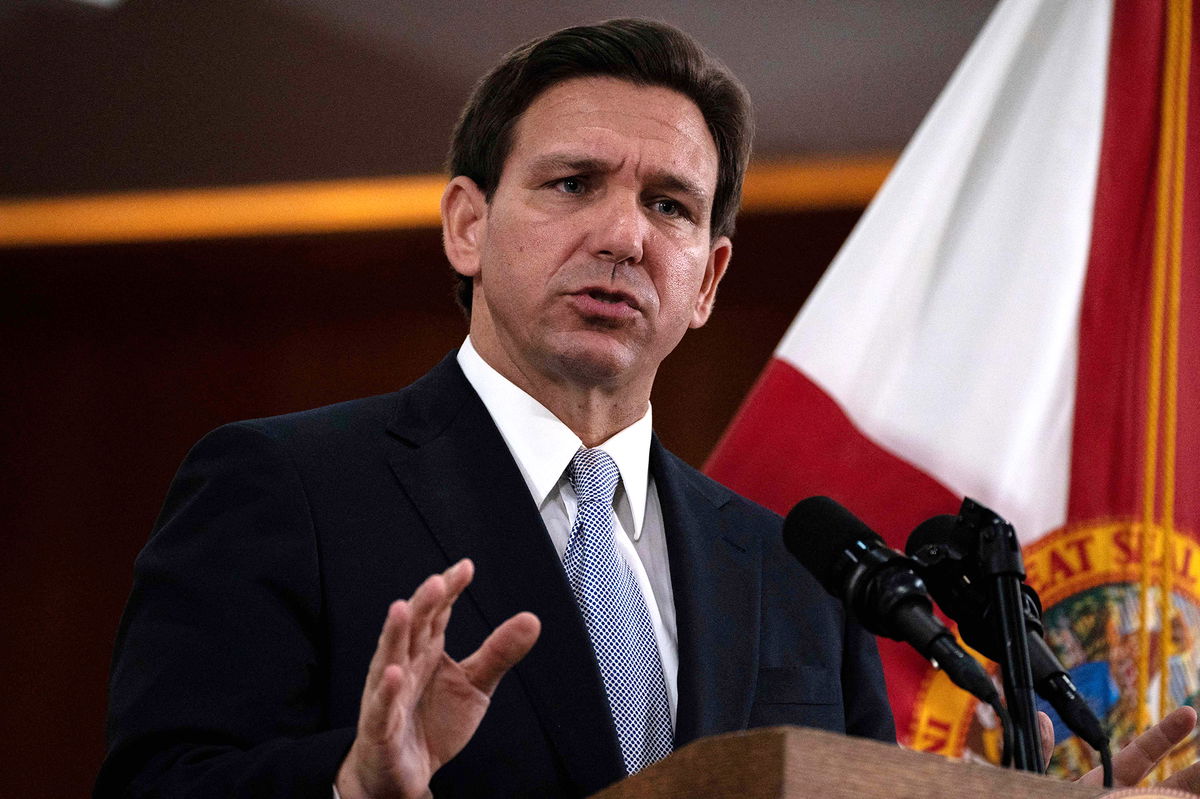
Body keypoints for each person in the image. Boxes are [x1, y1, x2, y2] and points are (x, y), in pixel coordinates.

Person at [97, 18, 1200, 799]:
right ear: (467, 227)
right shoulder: (286, 486)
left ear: (708, 279)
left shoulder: (797, 571)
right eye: (574, 184)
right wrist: (351, 785)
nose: (624, 235)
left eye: (668, 205)